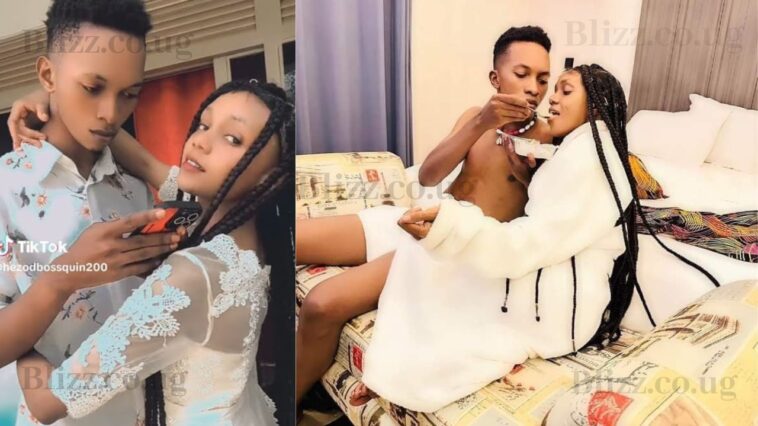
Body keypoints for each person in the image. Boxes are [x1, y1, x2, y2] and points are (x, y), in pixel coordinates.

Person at [362, 64, 714, 412]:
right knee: (431, 266)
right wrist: (524, 178)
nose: (551, 98)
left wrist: (450, 228)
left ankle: (396, 368)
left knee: (430, 265)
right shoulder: (583, 149)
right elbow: (555, 222)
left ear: (595, 105)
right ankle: (396, 356)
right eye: (552, 88)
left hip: (561, 313)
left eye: (564, 90)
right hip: (559, 283)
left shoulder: (590, 157)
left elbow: (534, 240)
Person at [295, 25, 554, 405]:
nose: (533, 88)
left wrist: (530, 178)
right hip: (415, 218)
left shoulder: (547, 138)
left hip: (444, 243)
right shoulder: (475, 116)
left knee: (322, 304)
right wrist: (481, 123)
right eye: (522, 73)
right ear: (495, 78)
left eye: (543, 79)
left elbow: (547, 220)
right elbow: (430, 175)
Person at [13, 80, 294, 425]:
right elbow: (146, 163)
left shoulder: (192, 274)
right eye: (204, 124)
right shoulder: (249, 239)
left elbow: (47, 403)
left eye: (232, 139)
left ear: (269, 179)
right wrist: (57, 98)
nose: (201, 141)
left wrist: (23, 335)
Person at [0, 1, 182, 424]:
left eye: (129, 94)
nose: (111, 114)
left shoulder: (135, 190)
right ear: (48, 76)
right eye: (92, 87)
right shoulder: (6, 188)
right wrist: (63, 278)